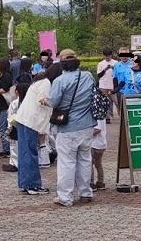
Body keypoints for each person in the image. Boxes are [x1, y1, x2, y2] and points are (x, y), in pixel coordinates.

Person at [44, 49, 96, 208]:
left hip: (67, 127)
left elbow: (53, 102)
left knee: (67, 162)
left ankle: (65, 197)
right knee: (85, 160)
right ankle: (85, 192)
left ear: (62, 64)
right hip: (87, 125)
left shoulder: (60, 81)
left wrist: (44, 100)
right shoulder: (88, 76)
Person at [15, 63, 61, 196]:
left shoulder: (39, 80)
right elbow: (43, 100)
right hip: (31, 121)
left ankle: (25, 183)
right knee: (31, 152)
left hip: (23, 119)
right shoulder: (46, 83)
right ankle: (33, 185)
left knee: (24, 152)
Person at [0, 58, 14, 159]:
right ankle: (6, 149)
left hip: (5, 104)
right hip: (1, 104)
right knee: (3, 127)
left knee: (3, 127)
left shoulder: (6, 76)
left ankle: (6, 149)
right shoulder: (3, 75)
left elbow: (5, 88)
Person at [96, 47, 117, 123]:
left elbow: (118, 74)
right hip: (103, 86)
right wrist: (104, 69)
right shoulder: (101, 64)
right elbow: (99, 75)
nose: (107, 57)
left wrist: (113, 68)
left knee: (116, 102)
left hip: (113, 86)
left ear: (111, 55)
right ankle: (107, 118)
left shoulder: (116, 63)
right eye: (106, 56)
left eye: (109, 55)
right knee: (105, 102)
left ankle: (121, 116)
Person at [90, 117, 107, 191]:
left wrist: (88, 135)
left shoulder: (97, 117)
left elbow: (98, 129)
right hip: (102, 143)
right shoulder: (102, 116)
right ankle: (100, 181)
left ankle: (91, 183)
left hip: (95, 144)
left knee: (90, 163)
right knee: (98, 164)